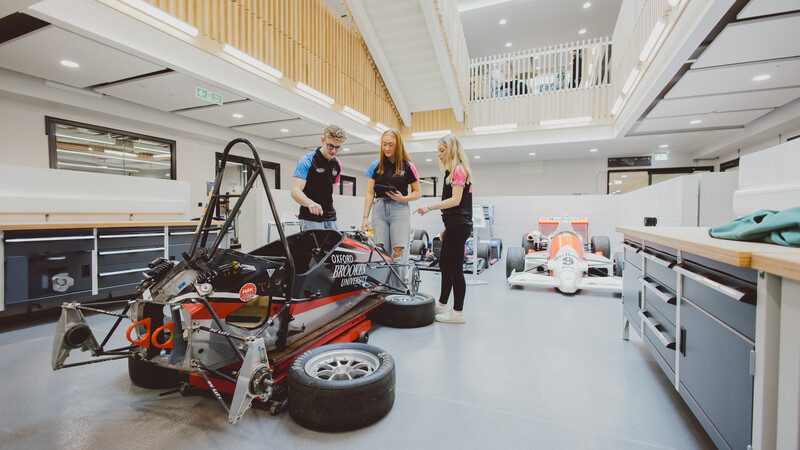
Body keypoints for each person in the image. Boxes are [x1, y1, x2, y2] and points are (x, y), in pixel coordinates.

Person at [413, 134, 473, 324]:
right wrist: (446, 226)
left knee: (455, 269)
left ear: (452, 149)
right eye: (438, 150)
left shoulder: (458, 170)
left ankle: (458, 313)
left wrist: (429, 207)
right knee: (445, 266)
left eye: (442, 150)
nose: (439, 154)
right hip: (453, 225)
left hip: (459, 226)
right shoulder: (450, 172)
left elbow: (455, 200)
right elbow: (457, 205)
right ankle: (442, 304)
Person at [361, 129, 421, 262]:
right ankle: (383, 283)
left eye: (391, 145)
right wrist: (365, 217)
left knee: (398, 250)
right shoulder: (375, 165)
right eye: (384, 144)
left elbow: (418, 192)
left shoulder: (408, 166)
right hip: (379, 208)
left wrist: (403, 198)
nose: (387, 148)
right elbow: (370, 193)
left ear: (398, 145)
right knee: (380, 248)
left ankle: (397, 283)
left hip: (399, 208)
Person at [291, 124, 346, 232]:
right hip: (310, 218)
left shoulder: (337, 164)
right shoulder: (307, 161)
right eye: (330, 146)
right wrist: (309, 203)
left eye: (337, 147)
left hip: (331, 217)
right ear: (323, 140)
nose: (333, 151)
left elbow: (329, 193)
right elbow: (295, 191)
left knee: (335, 248)